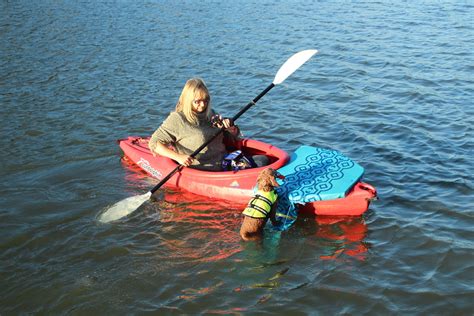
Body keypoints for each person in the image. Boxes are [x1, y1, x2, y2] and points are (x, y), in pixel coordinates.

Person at [148, 78, 241, 171]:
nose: (202, 105)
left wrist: (231, 130)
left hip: (225, 164)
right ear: (188, 100)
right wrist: (178, 157)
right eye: (197, 101)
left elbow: (230, 139)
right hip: (200, 170)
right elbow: (154, 143)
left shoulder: (212, 114)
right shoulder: (178, 119)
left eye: (206, 100)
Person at [240, 168, 285, 241]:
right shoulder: (271, 196)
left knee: (245, 237)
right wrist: (275, 222)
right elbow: (272, 214)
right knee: (259, 243)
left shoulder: (258, 192)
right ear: (272, 180)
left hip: (243, 229)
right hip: (256, 228)